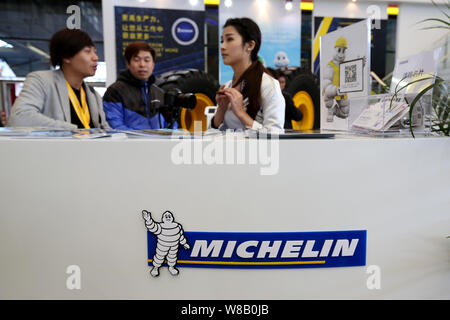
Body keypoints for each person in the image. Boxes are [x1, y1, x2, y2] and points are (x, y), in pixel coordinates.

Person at [8, 28, 110, 129]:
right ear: (66, 56)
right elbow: (20, 118)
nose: (95, 57)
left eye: (95, 52)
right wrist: (72, 131)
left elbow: (105, 129)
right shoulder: (41, 81)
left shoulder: (93, 95)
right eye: (88, 51)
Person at [211, 17, 284, 132]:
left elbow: (275, 135)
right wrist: (221, 108)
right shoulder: (227, 87)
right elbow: (212, 134)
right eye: (222, 41)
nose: (222, 46)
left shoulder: (268, 85)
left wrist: (240, 112)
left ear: (250, 45)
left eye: (229, 39)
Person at [102, 41, 168, 130]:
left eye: (147, 60)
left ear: (153, 64)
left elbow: (170, 125)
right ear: (128, 63)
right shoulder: (114, 92)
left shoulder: (159, 92)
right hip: (129, 143)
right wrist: (142, 139)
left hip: (160, 143)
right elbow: (114, 126)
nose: (142, 64)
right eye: (136, 60)